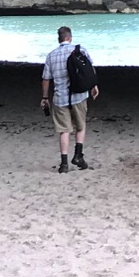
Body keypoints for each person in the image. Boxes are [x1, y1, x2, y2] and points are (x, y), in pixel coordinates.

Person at [40, 24, 97, 172]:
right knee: (80, 127)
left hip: (60, 98)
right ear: (70, 38)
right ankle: (78, 155)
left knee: (64, 131)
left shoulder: (51, 55)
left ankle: (64, 164)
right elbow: (89, 70)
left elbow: (46, 79)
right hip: (79, 95)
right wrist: (93, 86)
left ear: (59, 39)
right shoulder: (80, 50)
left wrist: (45, 97)